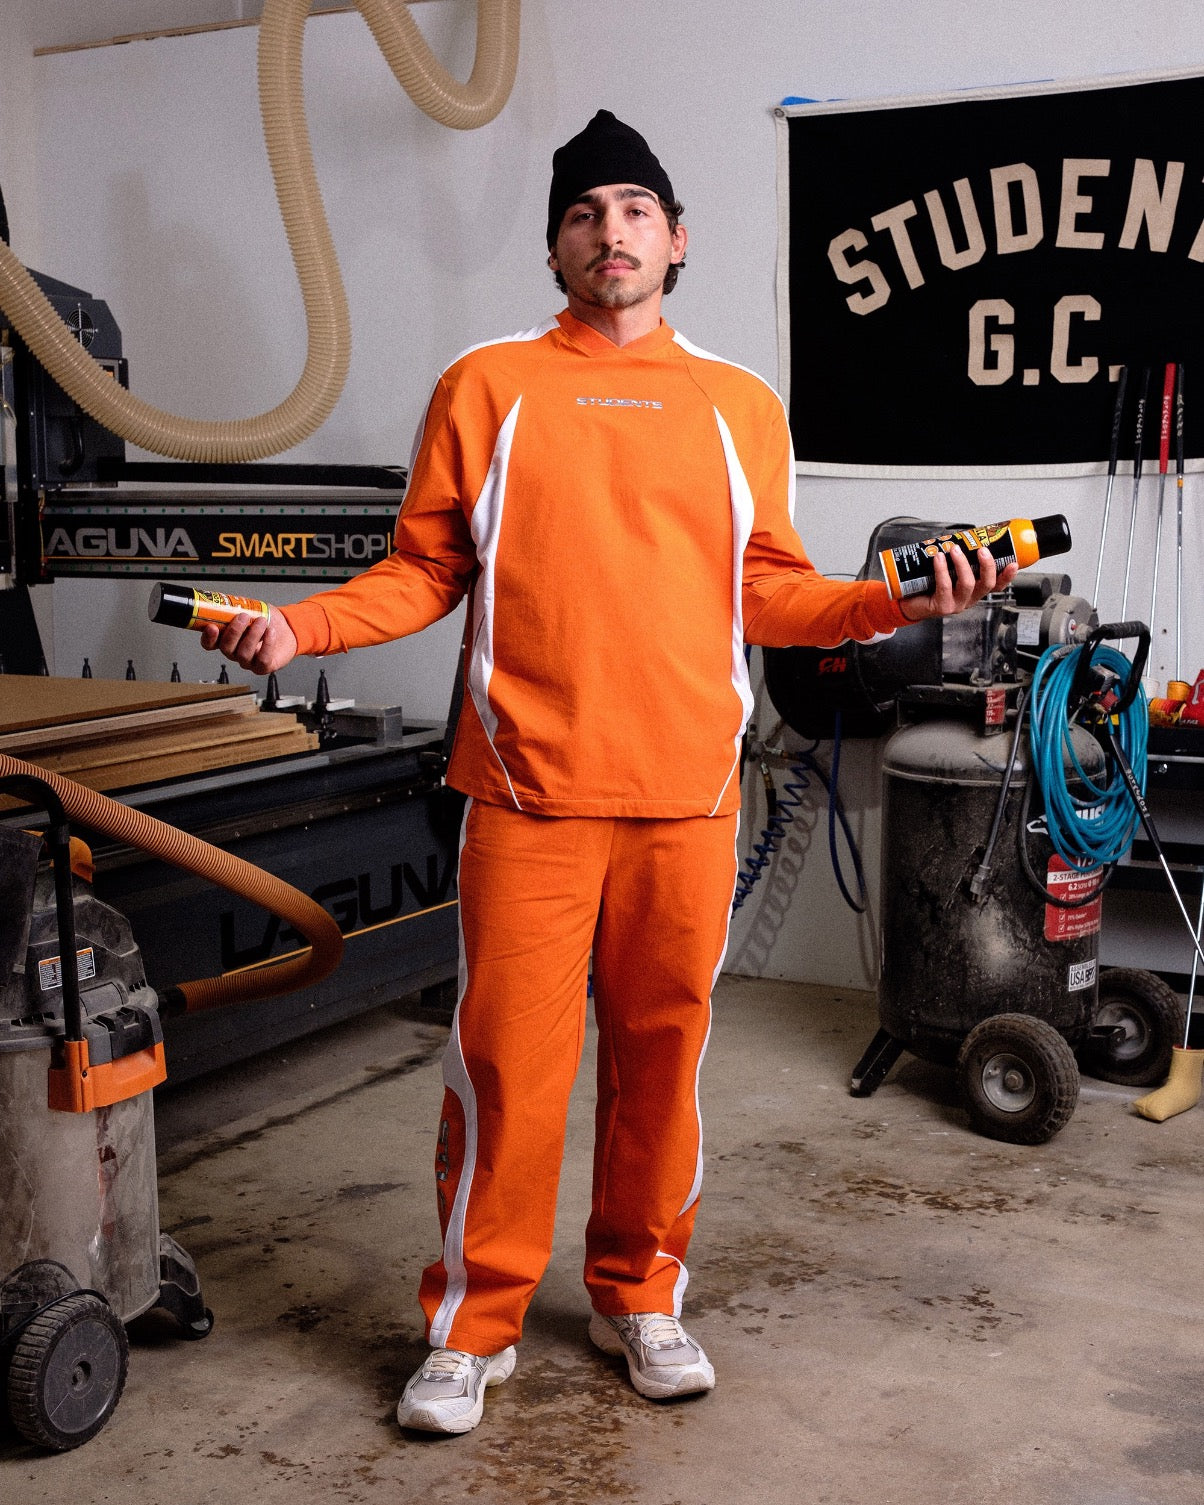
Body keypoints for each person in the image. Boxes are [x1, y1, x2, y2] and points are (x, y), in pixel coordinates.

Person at [204, 109, 1016, 1435]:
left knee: (664, 1065)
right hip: (524, 802)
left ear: (678, 241)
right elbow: (420, 570)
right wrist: (301, 626)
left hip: (687, 801)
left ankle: (643, 1295)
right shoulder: (488, 385)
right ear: (557, 248)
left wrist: (889, 603)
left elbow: (774, 592)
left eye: (636, 208)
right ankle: (473, 1323)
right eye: (586, 212)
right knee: (507, 1074)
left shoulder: (741, 407)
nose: (612, 230)